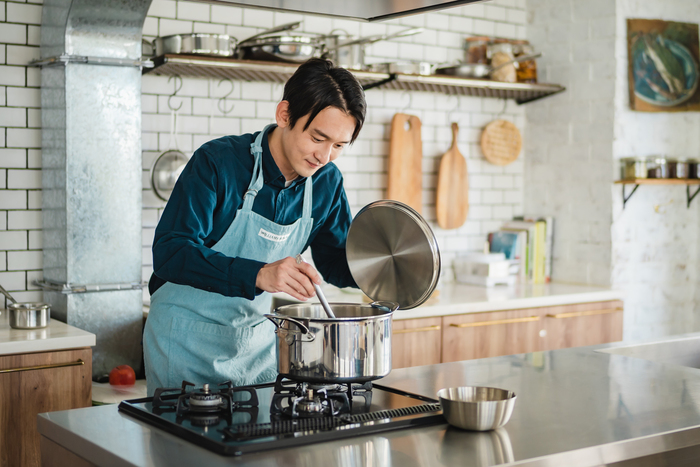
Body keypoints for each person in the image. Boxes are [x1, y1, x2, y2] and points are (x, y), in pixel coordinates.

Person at [143, 58, 366, 395]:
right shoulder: (218, 163)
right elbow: (171, 252)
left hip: (257, 348)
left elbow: (335, 261)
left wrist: (382, 268)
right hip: (185, 344)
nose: (324, 156)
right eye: (318, 138)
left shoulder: (326, 182)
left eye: (338, 146)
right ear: (285, 115)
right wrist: (259, 274)